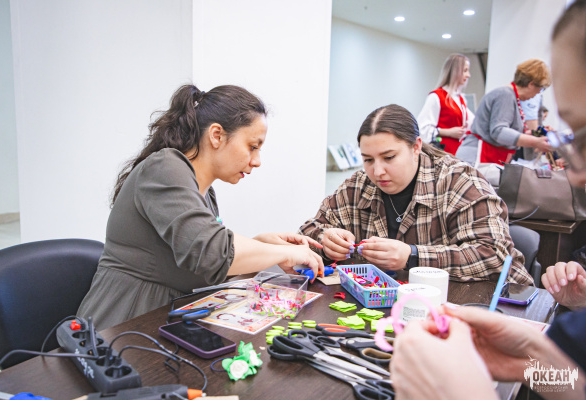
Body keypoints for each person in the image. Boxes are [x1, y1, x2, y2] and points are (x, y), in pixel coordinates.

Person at [390, 2, 586, 398]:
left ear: (416, 149)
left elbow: (493, 253)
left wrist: (468, 392)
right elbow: (574, 385)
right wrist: (532, 364)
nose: (576, 175)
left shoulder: (465, 184)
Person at [78, 84, 324, 330]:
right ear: (216, 135)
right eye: (252, 146)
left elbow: (203, 260)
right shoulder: (164, 168)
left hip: (164, 320)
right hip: (122, 325)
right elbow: (212, 253)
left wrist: (260, 244)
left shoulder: (205, 193)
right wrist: (284, 253)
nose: (257, 161)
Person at [299, 104, 533, 284]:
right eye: (368, 160)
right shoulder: (358, 186)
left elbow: (495, 256)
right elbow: (305, 235)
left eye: (389, 157)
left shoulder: (460, 182)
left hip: (485, 307)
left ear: (416, 147)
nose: (377, 171)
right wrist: (325, 240)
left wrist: (413, 256)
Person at [456, 59, 553, 166]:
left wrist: (533, 134)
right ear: (531, 84)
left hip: (486, 159)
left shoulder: (511, 96)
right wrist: (535, 142)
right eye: (540, 89)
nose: (538, 93)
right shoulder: (506, 95)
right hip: (476, 158)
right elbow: (499, 131)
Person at [417, 53, 474, 155]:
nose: (468, 75)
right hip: (441, 154)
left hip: (456, 154)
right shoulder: (436, 97)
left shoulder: (461, 99)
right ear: (455, 71)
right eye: (465, 70)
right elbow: (423, 129)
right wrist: (448, 132)